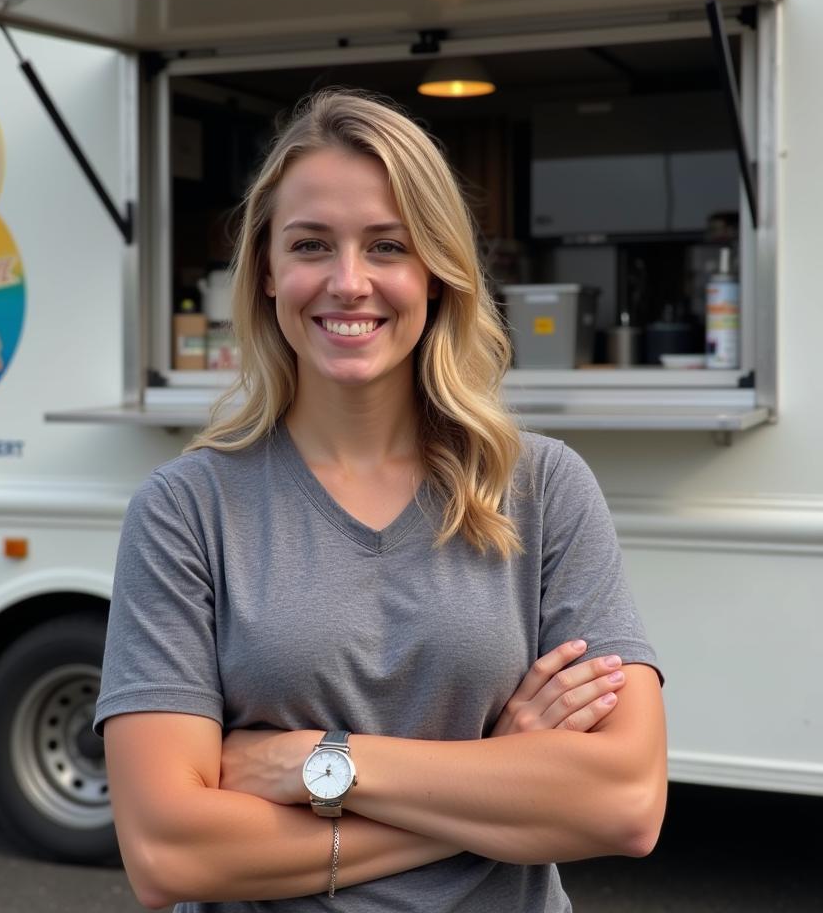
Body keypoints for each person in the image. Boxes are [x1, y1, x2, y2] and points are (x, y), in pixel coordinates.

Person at [95, 89, 667, 912]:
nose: (349, 281)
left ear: (436, 271)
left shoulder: (542, 487)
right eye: (311, 245)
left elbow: (626, 803)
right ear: (265, 271)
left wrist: (322, 764)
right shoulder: (187, 511)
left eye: (388, 246)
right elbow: (168, 852)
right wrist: (501, 773)